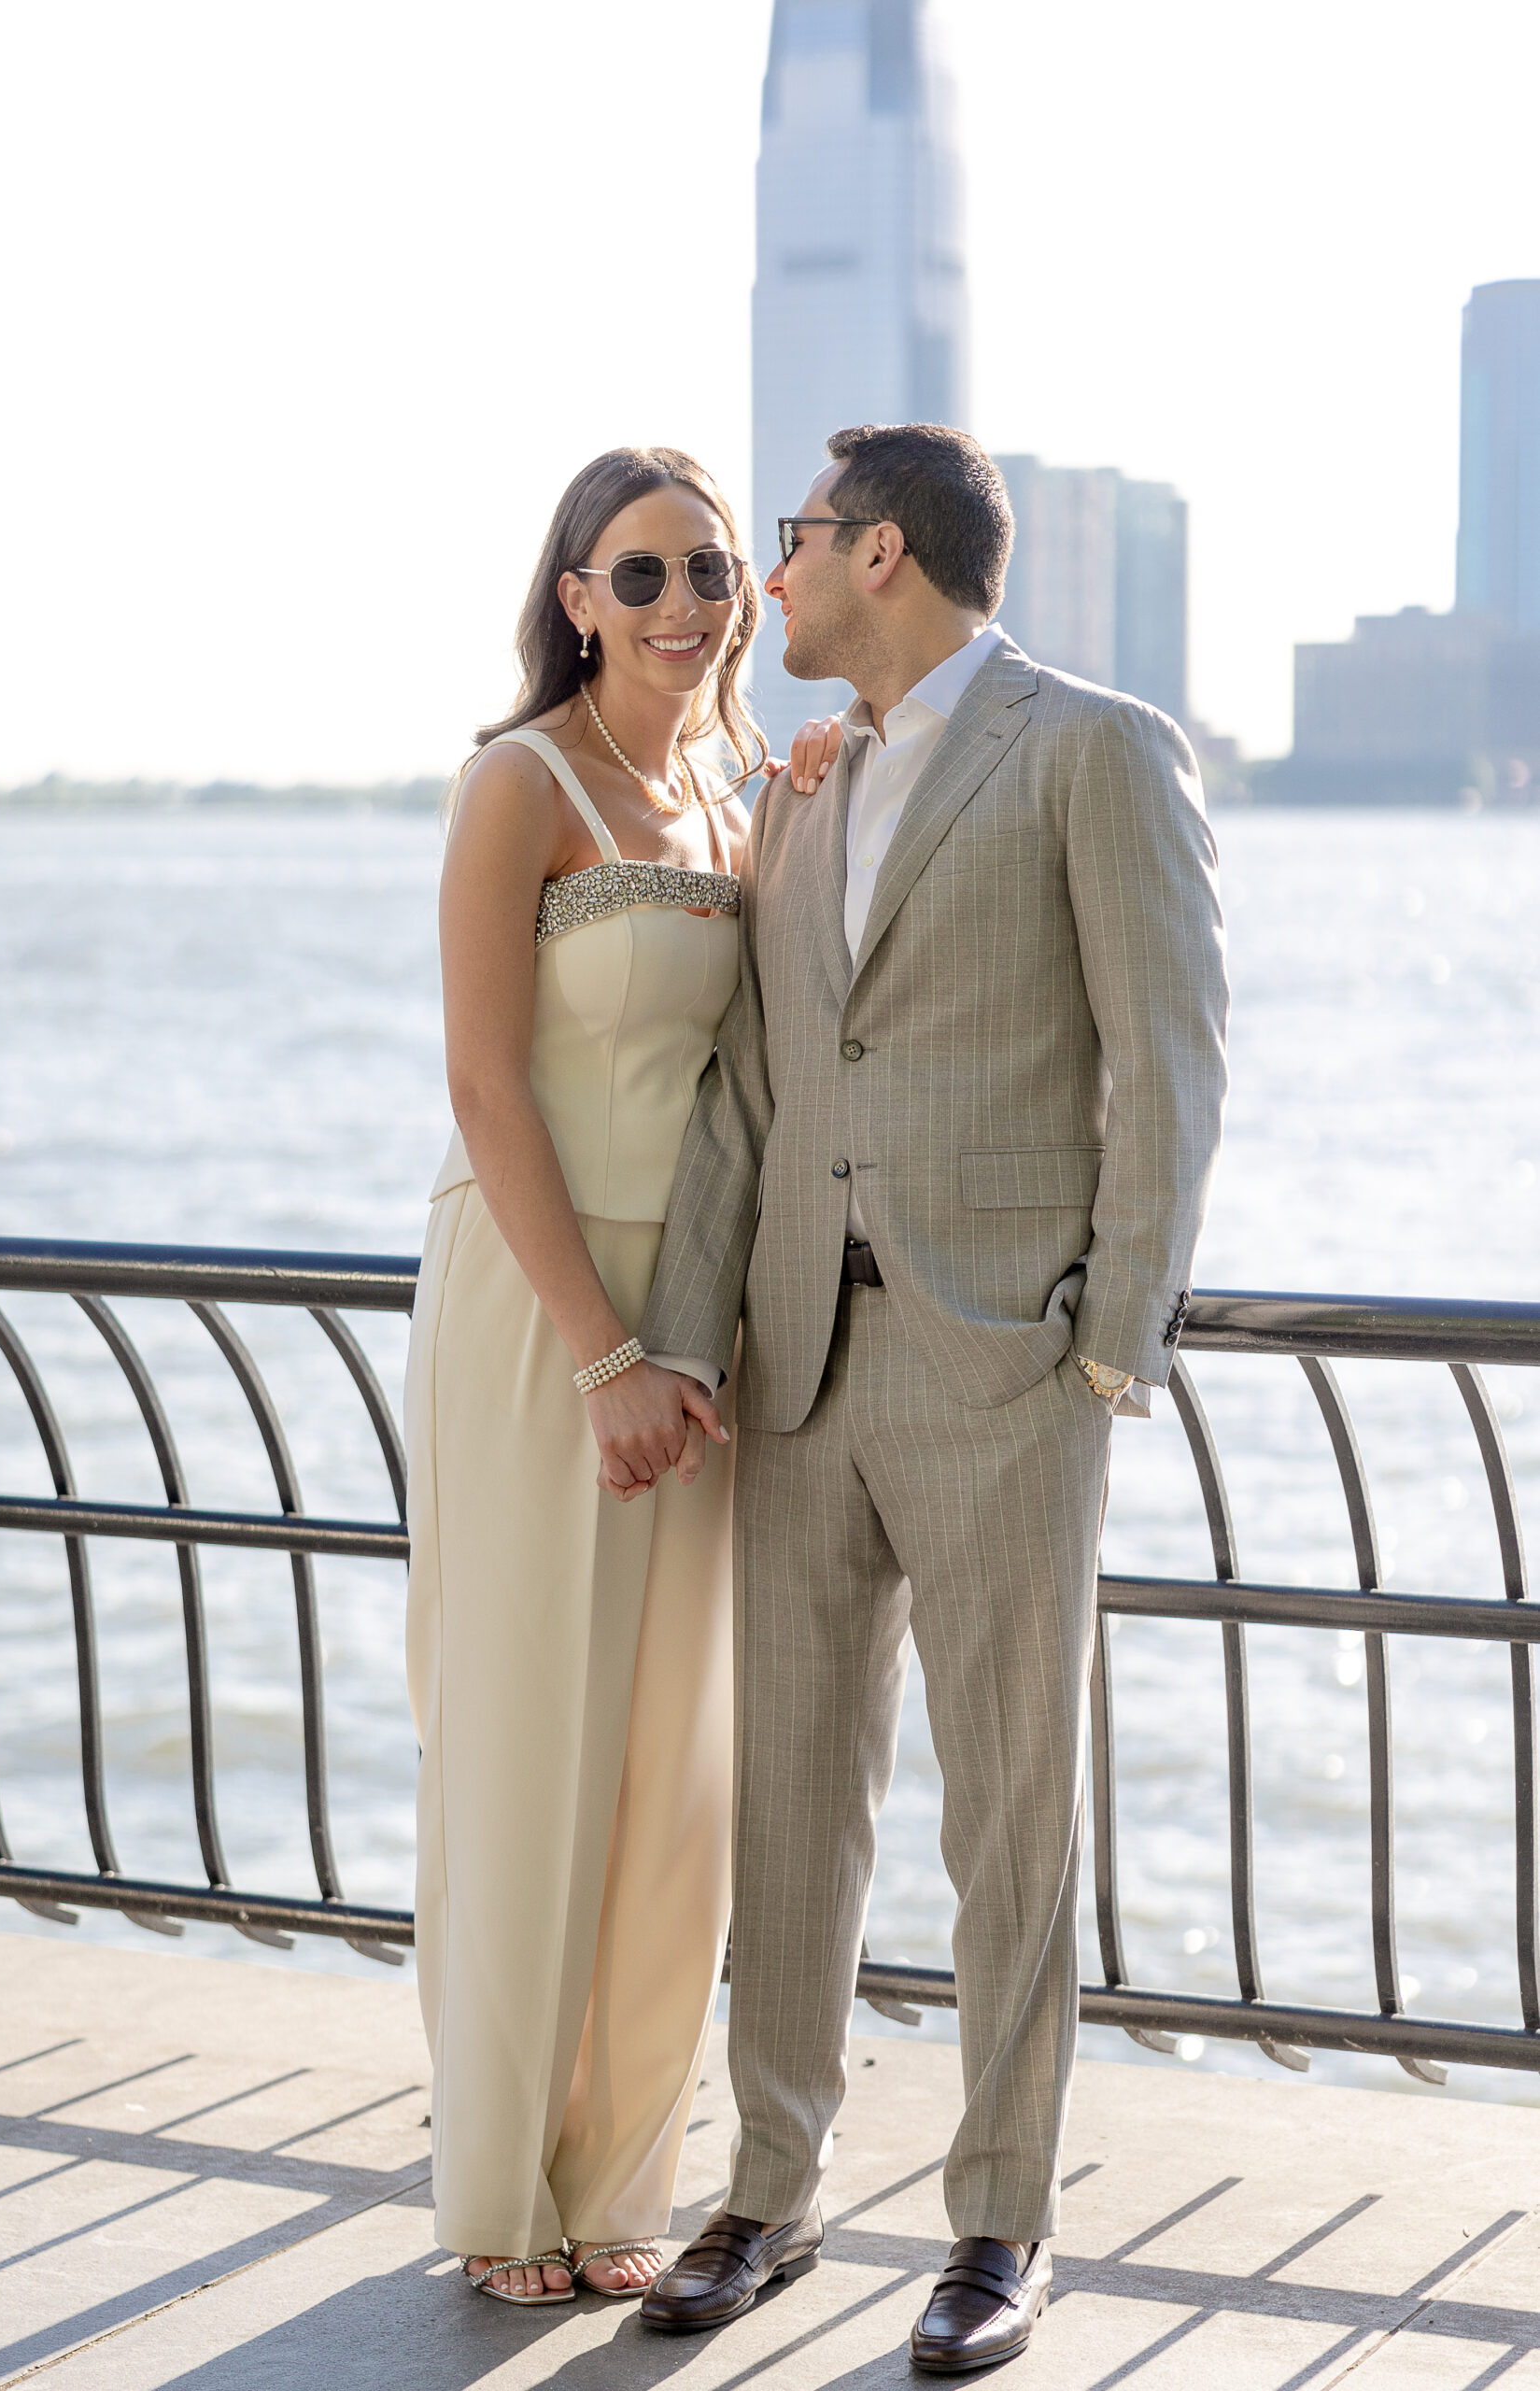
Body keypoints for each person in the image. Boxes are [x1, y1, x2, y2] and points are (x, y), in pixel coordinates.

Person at [620, 423, 1230, 2370]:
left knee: (1007, 1824)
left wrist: (1109, 1341)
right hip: (799, 1363)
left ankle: (999, 2221)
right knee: (790, 1812)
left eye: (786, 542)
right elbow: (752, 1091)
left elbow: (1173, 1058)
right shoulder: (806, 786)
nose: (760, 583)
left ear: (876, 552)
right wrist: (679, 1336)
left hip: (1005, 1373)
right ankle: (770, 2188)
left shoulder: (1091, 746)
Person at [403, 446, 760, 2307]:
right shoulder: (516, 785)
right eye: (641, 575)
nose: (686, 602)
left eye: (708, 566)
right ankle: (499, 2183)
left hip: (694, 1329)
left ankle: (623, 2166)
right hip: (546, 1310)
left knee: (669, 1761)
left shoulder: (740, 788)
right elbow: (483, 1085)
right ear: (573, 599)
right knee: (531, 1733)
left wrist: (682, 1340)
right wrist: (601, 1350)